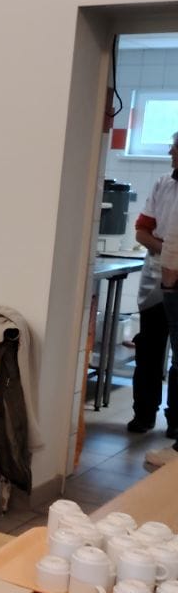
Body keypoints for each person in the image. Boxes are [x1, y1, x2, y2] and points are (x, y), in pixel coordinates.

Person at [129, 131, 178, 435]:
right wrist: (169, 251)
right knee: (149, 348)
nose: (171, 153)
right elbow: (141, 231)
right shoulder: (163, 184)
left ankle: (176, 422)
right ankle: (144, 413)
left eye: (175, 148)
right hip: (156, 279)